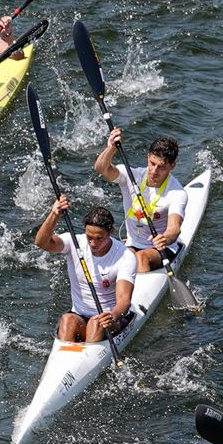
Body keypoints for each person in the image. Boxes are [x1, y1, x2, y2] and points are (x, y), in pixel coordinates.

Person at [32, 195, 135, 343]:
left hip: (110, 320)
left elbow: (124, 301)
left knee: (96, 322)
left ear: (111, 232)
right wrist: (54, 214)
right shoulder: (74, 242)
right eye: (89, 237)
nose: (93, 243)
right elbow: (41, 242)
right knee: (67, 319)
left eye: (99, 238)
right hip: (79, 316)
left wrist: (113, 315)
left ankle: (88, 355)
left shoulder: (125, 256)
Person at [92, 128, 185, 272]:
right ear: (148, 157)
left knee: (141, 258)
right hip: (131, 244)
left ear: (172, 166)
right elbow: (101, 168)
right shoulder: (131, 176)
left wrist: (165, 238)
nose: (154, 171)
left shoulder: (177, 193)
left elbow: (174, 228)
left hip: (161, 248)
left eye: (161, 167)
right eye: (152, 163)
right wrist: (110, 148)